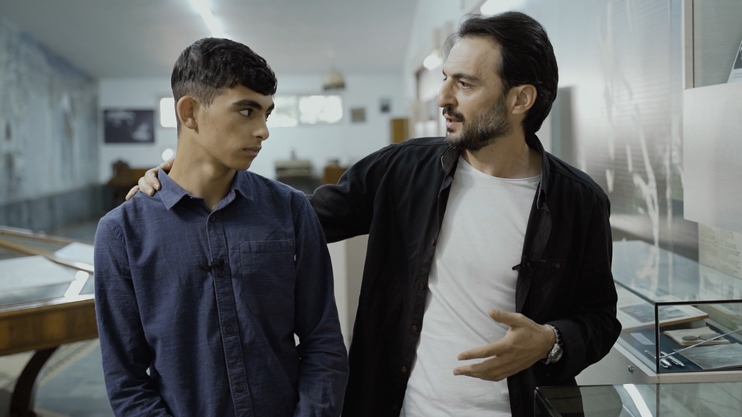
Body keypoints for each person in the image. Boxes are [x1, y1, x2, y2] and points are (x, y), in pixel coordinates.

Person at [130, 12, 620, 417]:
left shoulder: (579, 202)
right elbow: (290, 222)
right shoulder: (402, 170)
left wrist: (551, 341)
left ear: (520, 99)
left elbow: (600, 319)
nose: (443, 98)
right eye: (445, 79)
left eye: (465, 84)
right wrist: (186, 183)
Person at [95, 37, 348, 417]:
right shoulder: (122, 232)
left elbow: (323, 341)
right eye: (246, 111)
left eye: (266, 114)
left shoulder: (291, 209)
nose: (263, 131)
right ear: (190, 112)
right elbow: (126, 380)